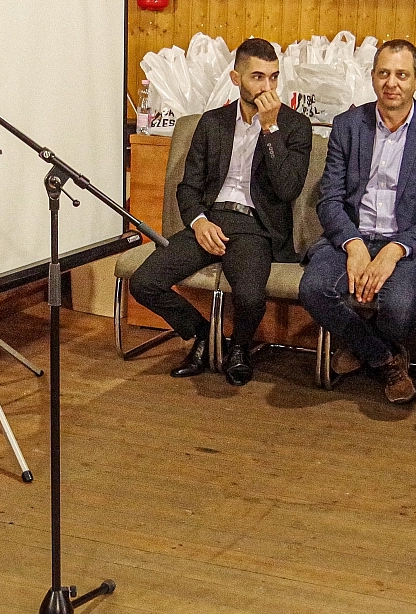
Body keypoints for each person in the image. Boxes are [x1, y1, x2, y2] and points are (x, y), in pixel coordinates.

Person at [129, 38, 313, 385]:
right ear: (235, 78)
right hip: (210, 220)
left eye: (274, 77)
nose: (268, 87)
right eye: (257, 77)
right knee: (144, 283)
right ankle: (204, 335)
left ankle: (240, 347)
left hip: (255, 226)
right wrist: (199, 222)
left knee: (250, 296)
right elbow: (188, 187)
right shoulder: (213, 122)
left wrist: (270, 128)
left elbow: (288, 189)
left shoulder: (294, 126)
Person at [299, 40, 416, 403]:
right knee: (313, 289)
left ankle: (362, 345)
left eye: (402, 74)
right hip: (351, 235)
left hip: (408, 244)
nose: (392, 83)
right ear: (372, 76)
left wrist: (395, 250)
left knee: (400, 308)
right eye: (384, 73)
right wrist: (353, 245)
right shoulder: (347, 125)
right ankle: (385, 360)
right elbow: (330, 198)